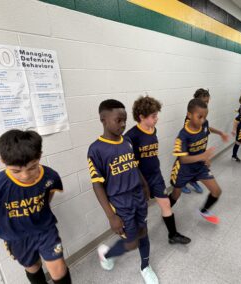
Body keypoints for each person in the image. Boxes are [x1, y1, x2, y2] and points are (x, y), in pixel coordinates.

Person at [0, 130, 71, 284]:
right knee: (33, 266)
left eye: (32, 168)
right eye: (16, 171)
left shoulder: (50, 176)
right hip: (15, 235)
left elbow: (49, 194)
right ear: (2, 161)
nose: (25, 176)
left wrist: (41, 208)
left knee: (58, 267)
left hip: (44, 229)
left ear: (39, 156)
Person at [87, 99, 158, 284]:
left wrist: (144, 185)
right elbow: (97, 185)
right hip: (120, 202)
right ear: (103, 119)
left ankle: (145, 266)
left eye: (125, 120)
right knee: (131, 242)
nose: (123, 124)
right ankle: (108, 254)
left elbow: (134, 165)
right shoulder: (96, 149)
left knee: (144, 231)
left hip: (137, 195)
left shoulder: (126, 140)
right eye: (118, 120)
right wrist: (111, 216)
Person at [125, 96, 190, 245]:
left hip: (155, 175)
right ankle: (132, 236)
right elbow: (131, 165)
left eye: (157, 115)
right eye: (153, 116)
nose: (157, 119)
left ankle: (172, 235)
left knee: (166, 204)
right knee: (140, 212)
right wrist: (143, 184)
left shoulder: (153, 129)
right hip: (140, 179)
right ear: (141, 117)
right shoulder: (131, 137)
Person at [170, 98, 221, 224]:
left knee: (216, 191)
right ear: (189, 115)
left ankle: (204, 211)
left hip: (200, 167)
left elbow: (204, 140)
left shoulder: (204, 124)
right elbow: (182, 159)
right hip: (183, 169)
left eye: (205, 117)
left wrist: (205, 158)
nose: (203, 120)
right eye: (200, 117)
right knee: (175, 195)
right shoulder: (182, 136)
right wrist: (203, 156)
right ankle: (166, 211)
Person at [182, 88, 229, 193]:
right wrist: (203, 156)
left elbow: (207, 128)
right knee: (187, 167)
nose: (206, 104)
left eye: (207, 102)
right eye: (204, 102)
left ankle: (193, 181)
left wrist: (220, 132)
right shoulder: (191, 119)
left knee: (197, 167)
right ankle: (182, 183)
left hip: (200, 148)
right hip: (191, 150)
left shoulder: (202, 117)